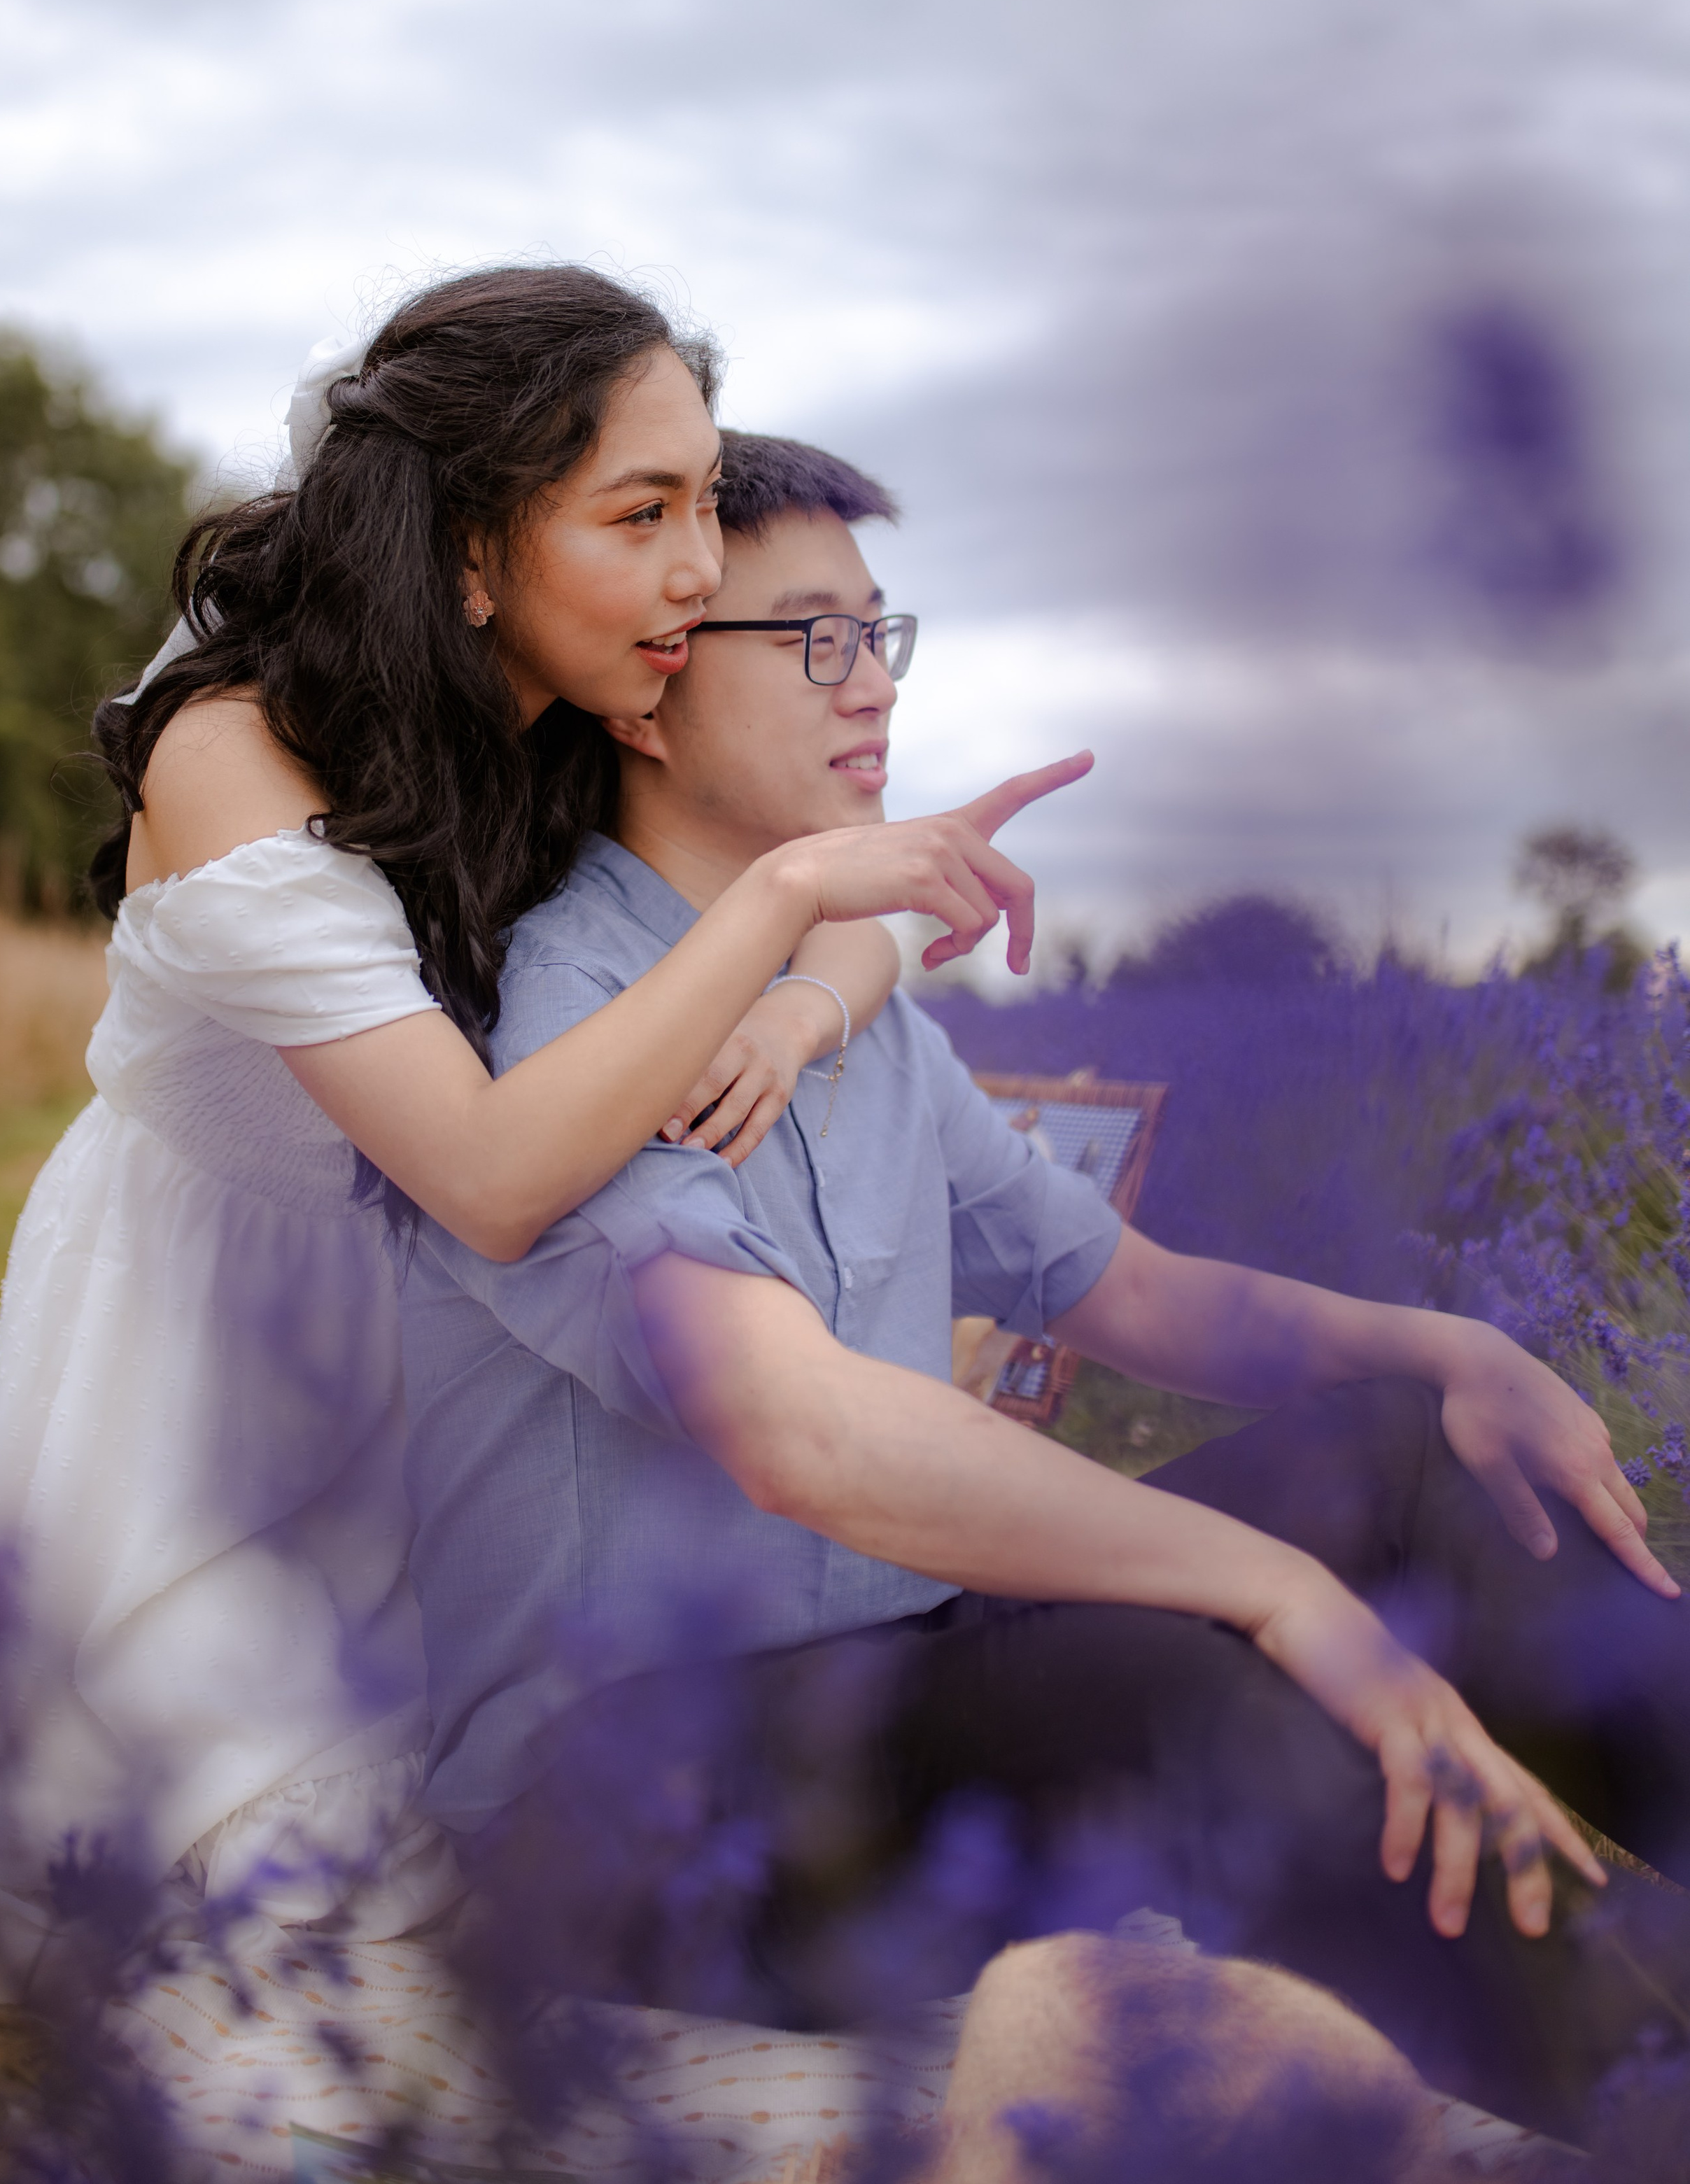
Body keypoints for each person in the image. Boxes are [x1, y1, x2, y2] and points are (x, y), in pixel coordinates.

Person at [400, 427, 1690, 2148]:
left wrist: (1445, 1341)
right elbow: (794, 1431)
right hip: (641, 1789)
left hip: (897, 1674)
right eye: (814, 639)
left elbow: (1124, 1292)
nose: (874, 683)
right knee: (1212, 1693)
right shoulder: (571, 1011)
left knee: (1420, 1455)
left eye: (879, 631)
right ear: (647, 689)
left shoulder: (844, 1010)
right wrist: (1272, 1587)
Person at [0, 270, 1083, 1986]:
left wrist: (797, 993)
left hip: (450, 1365)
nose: (698, 565)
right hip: (213, 1365)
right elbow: (483, 1174)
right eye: (641, 513)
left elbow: (855, 898)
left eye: (704, 500)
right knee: (266, 1890)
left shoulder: (551, 730)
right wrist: (780, 907)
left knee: (492, 1799)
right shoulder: (230, 755)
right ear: (473, 551)